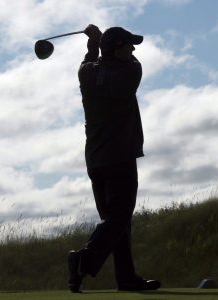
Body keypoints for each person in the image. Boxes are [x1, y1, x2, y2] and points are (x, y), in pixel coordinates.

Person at [67, 24, 161, 293]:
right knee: (119, 217)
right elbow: (132, 62)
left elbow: (89, 61)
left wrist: (93, 44)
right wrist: (99, 43)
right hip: (120, 155)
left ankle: (127, 278)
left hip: (95, 160)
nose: (132, 50)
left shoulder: (86, 73)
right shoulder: (131, 72)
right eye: (128, 45)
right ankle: (82, 260)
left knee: (116, 221)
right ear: (118, 50)